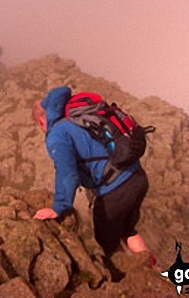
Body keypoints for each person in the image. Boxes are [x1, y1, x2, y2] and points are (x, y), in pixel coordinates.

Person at [32, 86, 153, 264]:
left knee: (107, 240)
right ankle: (155, 271)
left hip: (116, 188)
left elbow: (67, 172)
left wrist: (58, 207)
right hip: (136, 175)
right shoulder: (78, 120)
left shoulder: (57, 133)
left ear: (41, 121)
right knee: (127, 230)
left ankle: (133, 279)